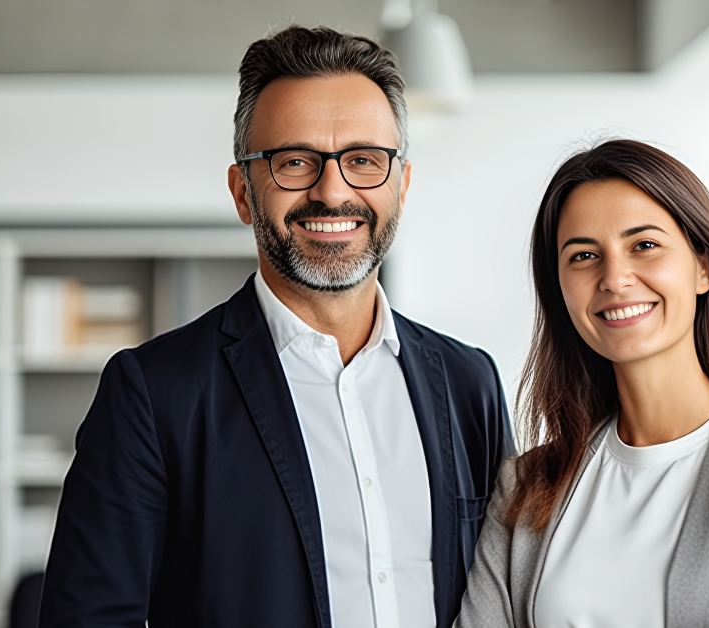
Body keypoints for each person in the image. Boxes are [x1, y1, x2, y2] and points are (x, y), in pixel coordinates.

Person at [39, 25, 512, 628]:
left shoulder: (469, 383)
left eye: (363, 161)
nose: (332, 192)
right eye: (294, 162)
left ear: (401, 184)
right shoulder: (154, 395)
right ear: (243, 192)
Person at [454, 140, 709, 628]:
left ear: (703, 267)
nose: (615, 278)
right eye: (584, 255)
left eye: (643, 245)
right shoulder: (526, 484)